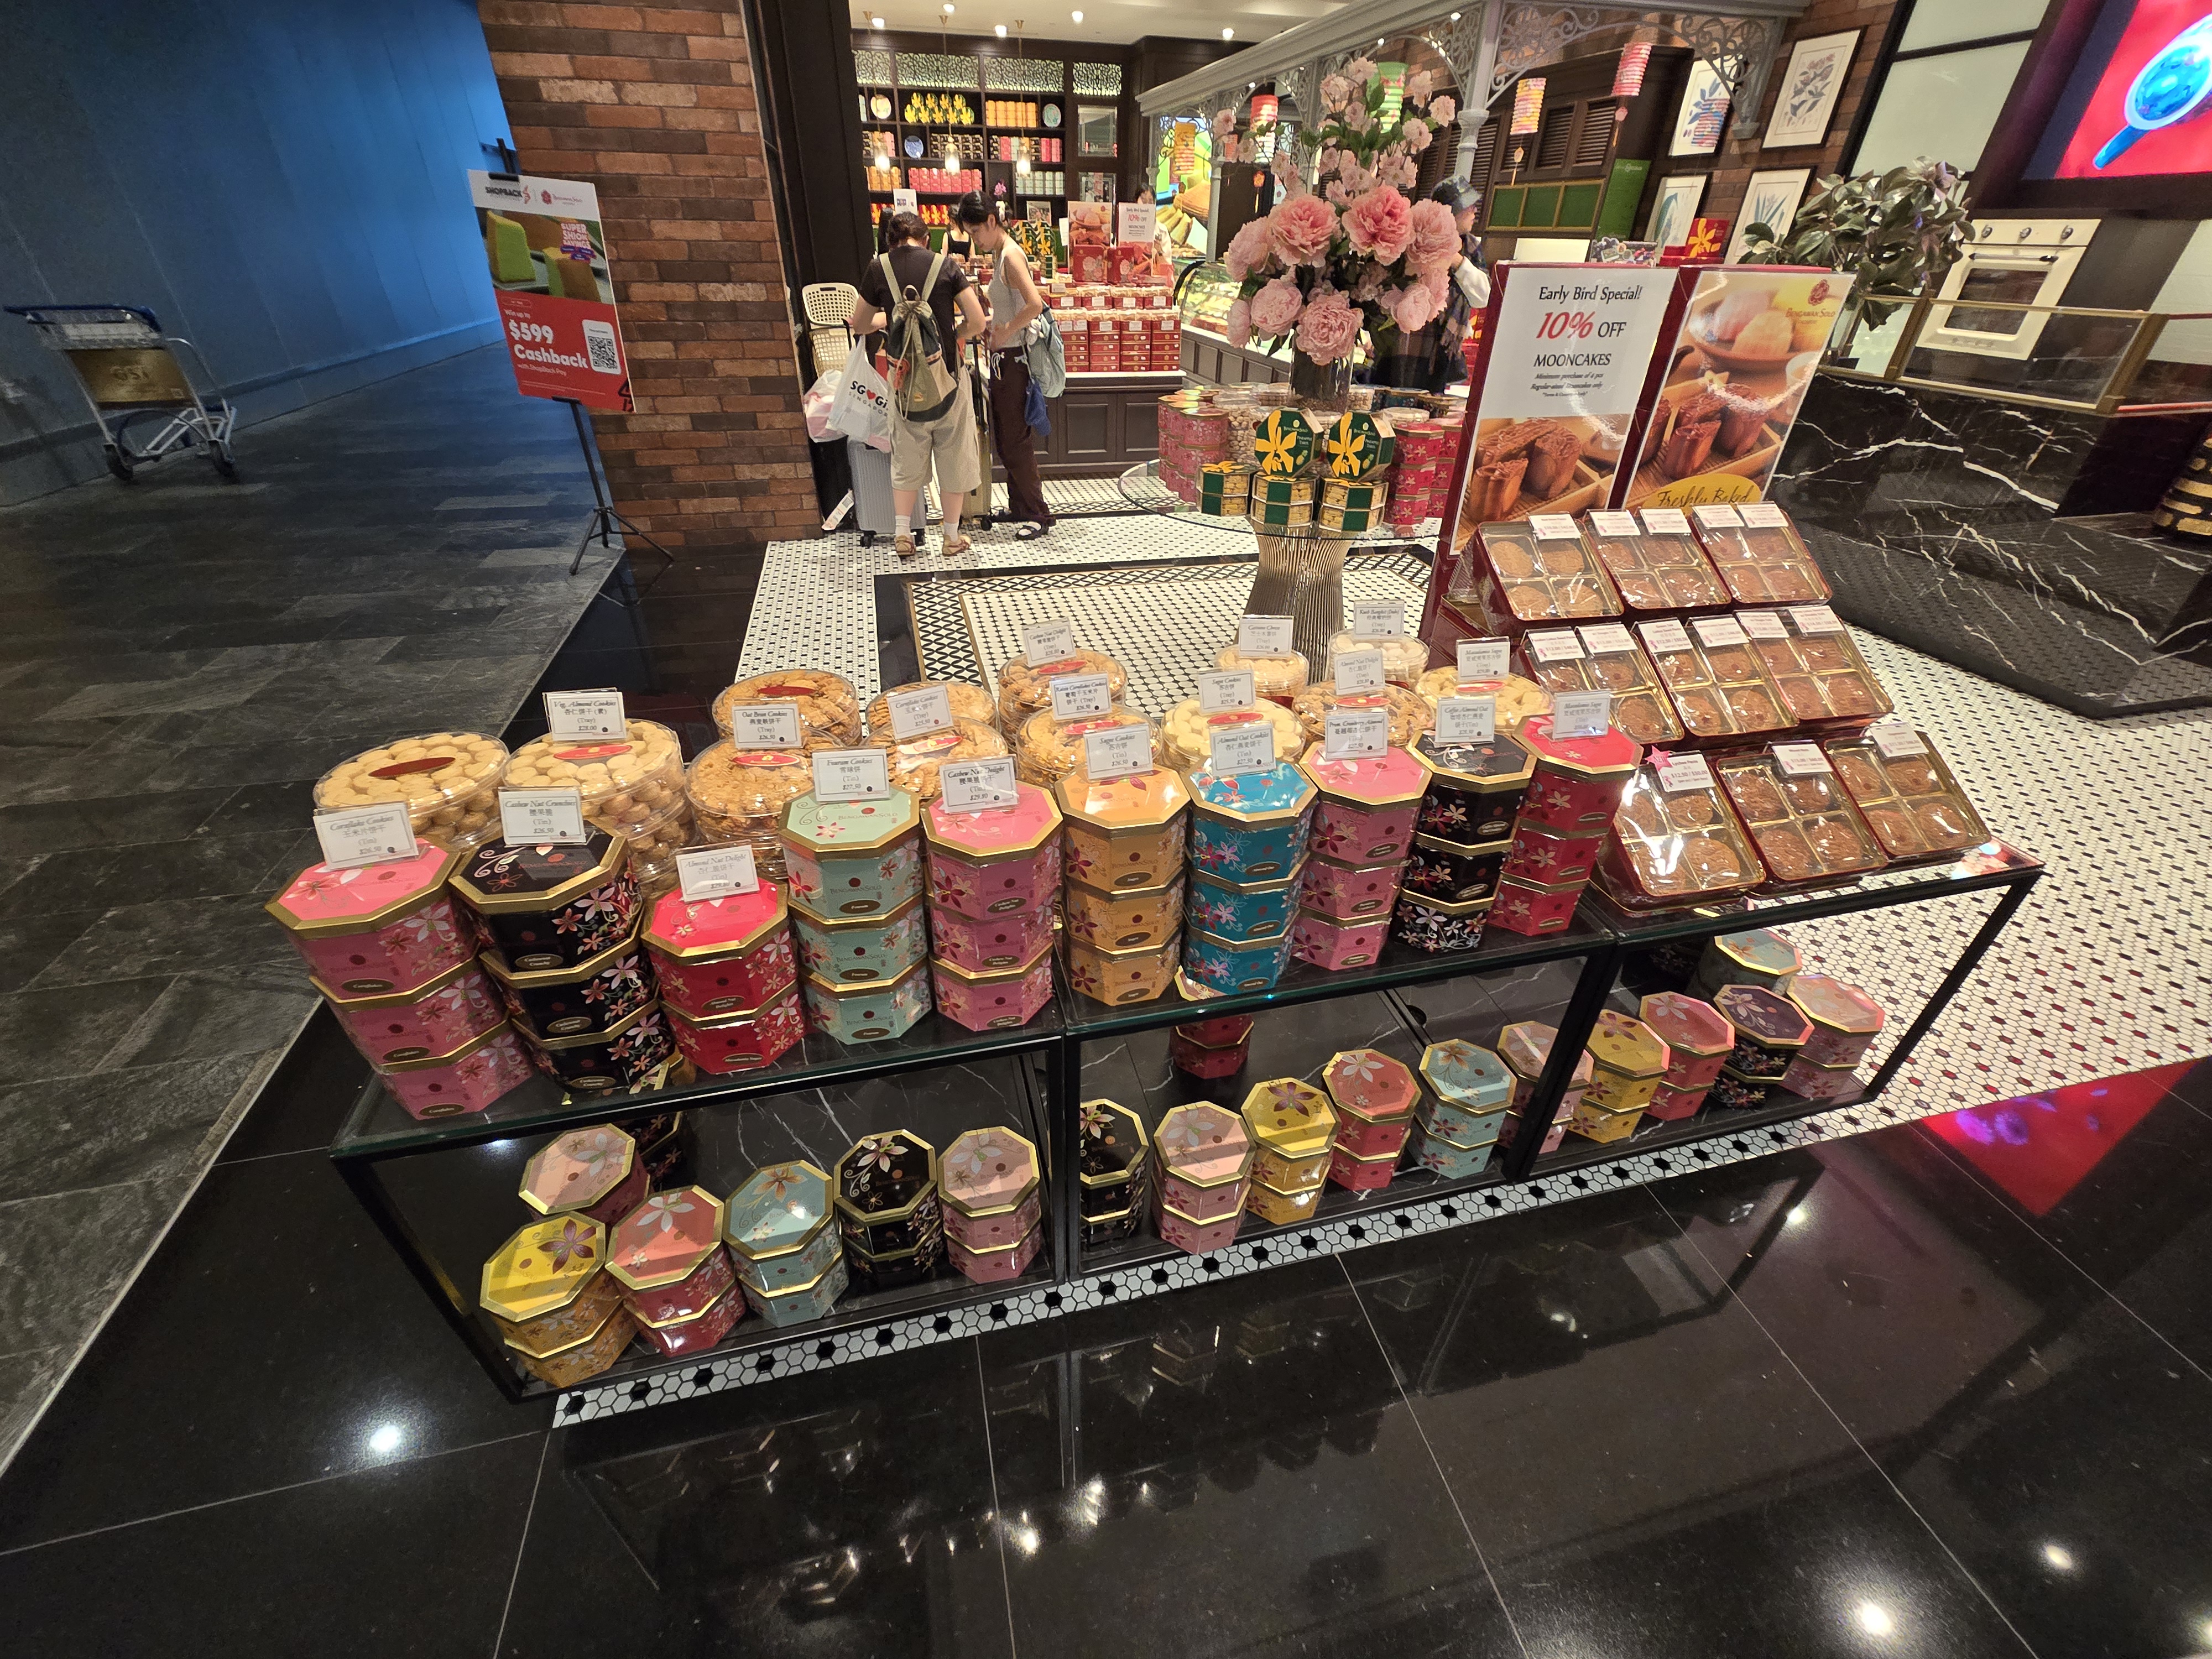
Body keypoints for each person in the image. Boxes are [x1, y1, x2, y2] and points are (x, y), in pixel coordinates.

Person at [853, 210, 989, 557]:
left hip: (903, 384)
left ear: (890, 242)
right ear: (927, 240)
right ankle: (951, 537)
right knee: (954, 456)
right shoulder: (945, 266)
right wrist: (953, 335)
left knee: (906, 457)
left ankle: (903, 535)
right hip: (948, 380)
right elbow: (977, 322)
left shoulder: (878, 268)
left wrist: (889, 317)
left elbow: (860, 324)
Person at [952, 192, 1055, 539]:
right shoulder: (999, 254)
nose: (975, 240)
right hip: (1003, 359)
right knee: (1008, 438)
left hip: (1014, 361)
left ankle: (1037, 514)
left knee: (1016, 441)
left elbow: (1035, 304)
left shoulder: (1010, 255)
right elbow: (1011, 306)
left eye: (976, 232)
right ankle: (1019, 507)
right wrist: (994, 326)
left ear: (992, 222)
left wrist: (1005, 331)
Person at [1369, 180, 1491, 392]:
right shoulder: (1411, 237)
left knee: (1430, 403)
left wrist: (1457, 261)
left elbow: (1484, 296)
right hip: (1403, 340)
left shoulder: (1470, 248)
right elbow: (1383, 287)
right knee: (1393, 396)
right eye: (1469, 205)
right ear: (1452, 211)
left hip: (1440, 349)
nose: (1475, 211)